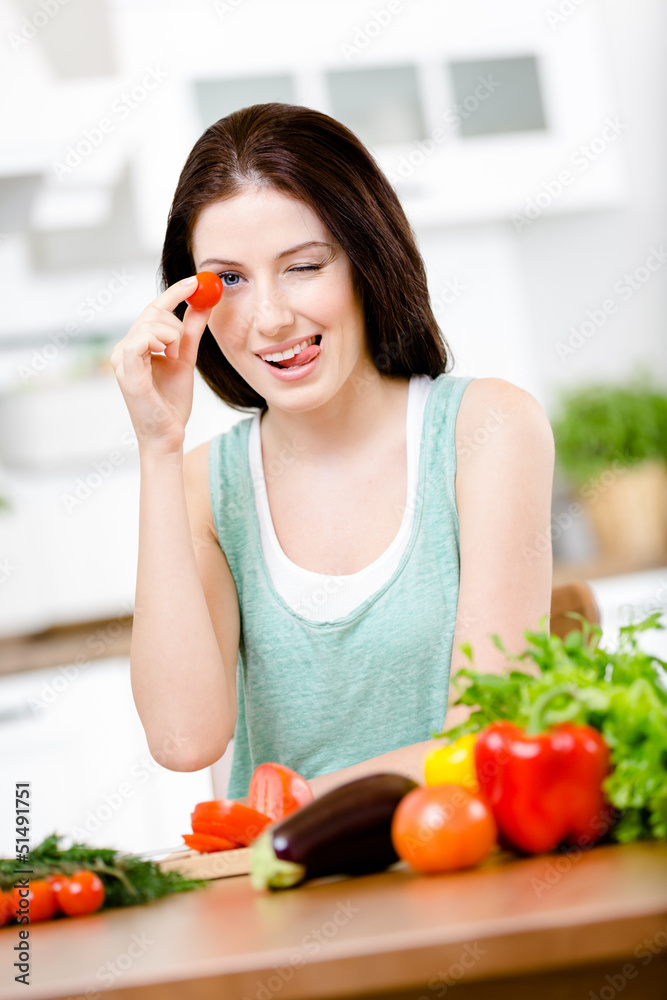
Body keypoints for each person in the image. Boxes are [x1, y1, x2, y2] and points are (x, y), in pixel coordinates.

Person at [111, 103, 554, 800]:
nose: (270, 318)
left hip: (464, 877)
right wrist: (158, 449)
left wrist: (307, 804)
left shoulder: (486, 429)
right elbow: (183, 739)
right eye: (226, 280)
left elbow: (489, 737)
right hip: (282, 893)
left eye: (303, 266)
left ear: (366, 260)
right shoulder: (203, 485)